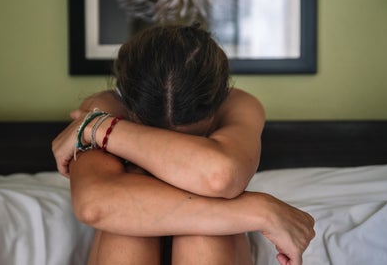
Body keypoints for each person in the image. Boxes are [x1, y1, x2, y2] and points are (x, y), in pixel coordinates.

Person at [52, 24, 315, 265]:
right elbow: (94, 204)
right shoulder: (106, 105)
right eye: (156, 132)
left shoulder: (237, 105)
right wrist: (260, 211)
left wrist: (100, 129)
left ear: (220, 98)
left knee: (203, 235)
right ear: (126, 101)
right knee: (128, 234)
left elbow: (220, 176)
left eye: (187, 139)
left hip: (211, 249)